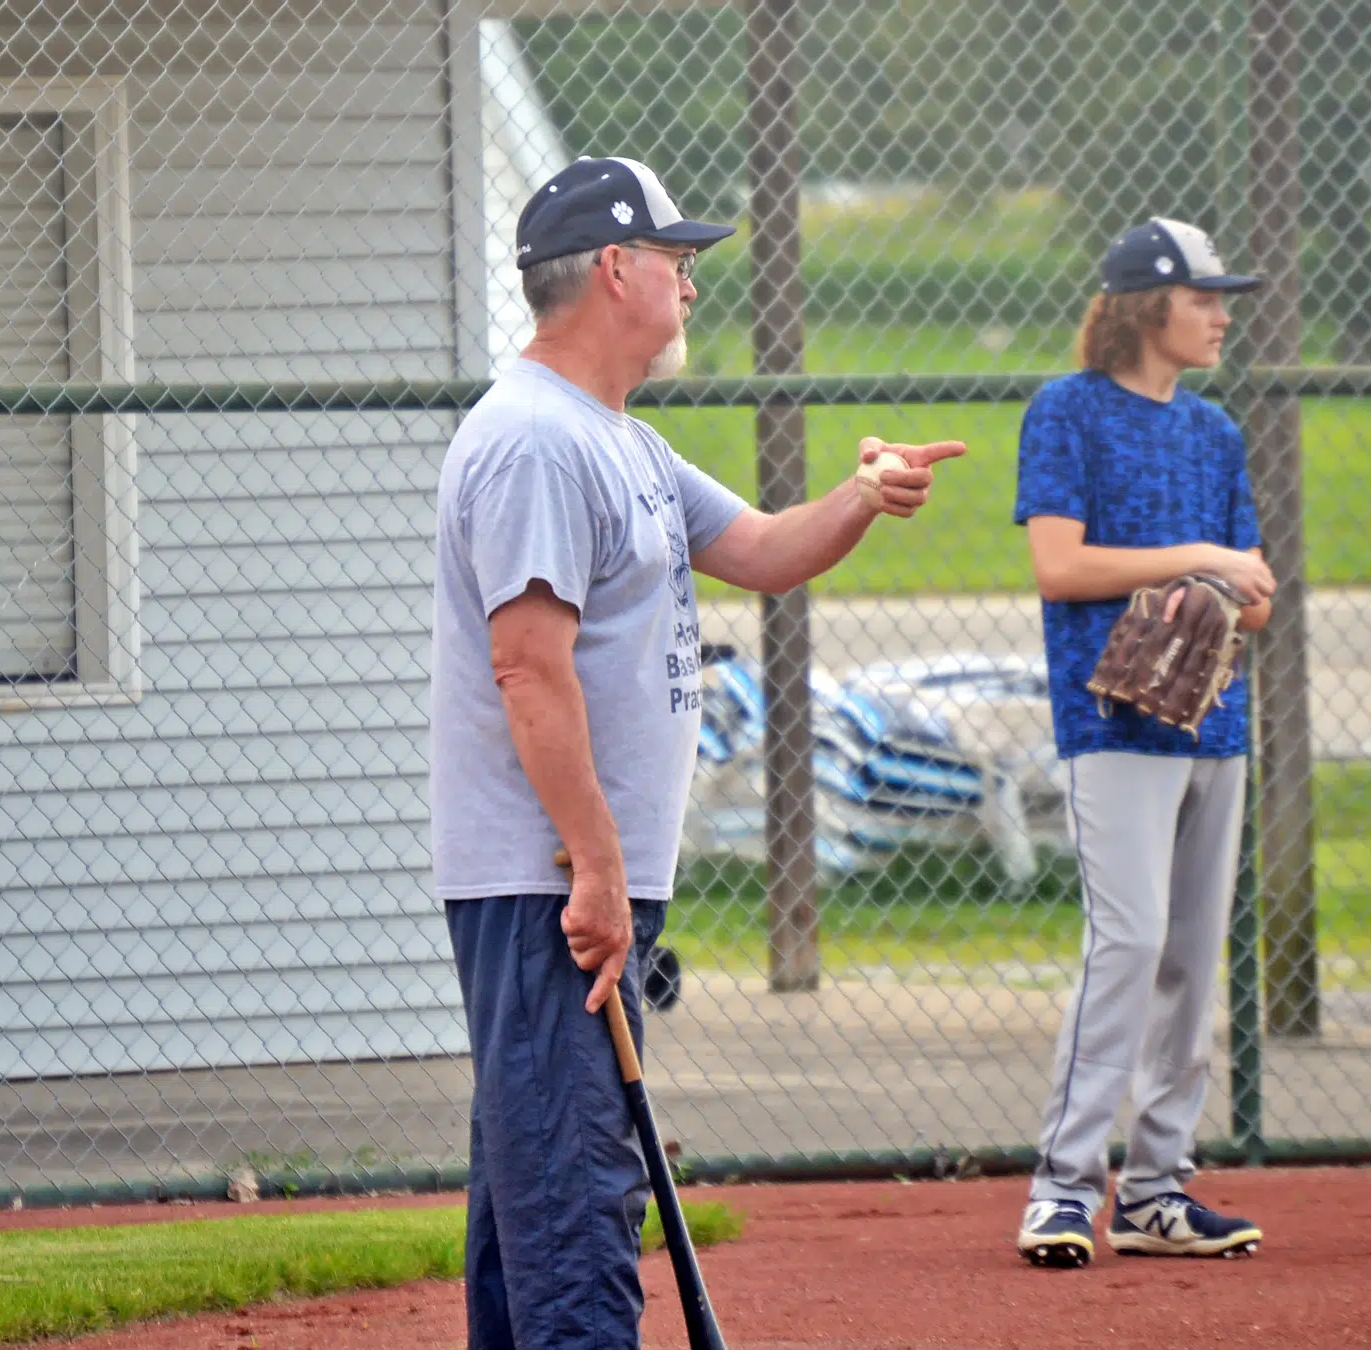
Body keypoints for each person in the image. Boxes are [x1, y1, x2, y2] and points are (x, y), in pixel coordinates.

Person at [431, 155, 965, 1348]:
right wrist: (597, 867)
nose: (690, 288)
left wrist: (863, 496)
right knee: (575, 1219)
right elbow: (528, 668)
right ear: (614, 271)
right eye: (677, 264)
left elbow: (765, 547)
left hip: (577, 880)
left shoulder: (619, 439)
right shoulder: (532, 443)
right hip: (548, 889)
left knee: (534, 1213)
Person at [1011, 217, 1278, 1269]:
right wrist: (1203, 558)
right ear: (1144, 305)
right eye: (1204, 296)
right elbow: (1059, 567)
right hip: (1109, 723)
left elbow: (1254, 597)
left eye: (1223, 299)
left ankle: (1159, 1189)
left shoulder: (1215, 431)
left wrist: (1214, 592)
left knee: (1187, 959)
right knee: (1125, 944)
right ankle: (1064, 1186)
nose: (1221, 314)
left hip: (1215, 724)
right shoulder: (1066, 413)